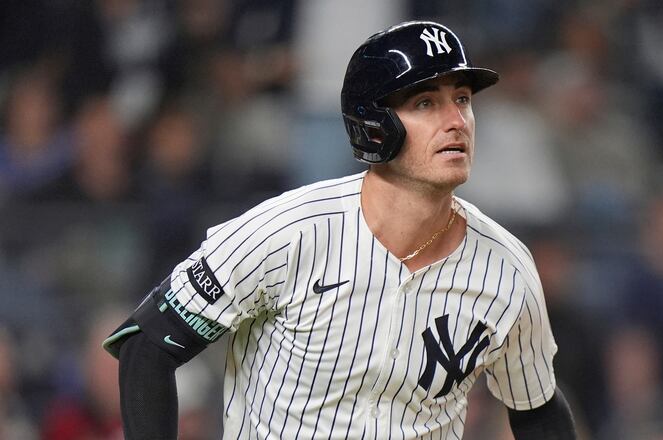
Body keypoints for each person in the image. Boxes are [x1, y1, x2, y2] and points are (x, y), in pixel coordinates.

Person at [103, 20, 577, 439]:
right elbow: (147, 345)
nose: (456, 121)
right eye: (426, 103)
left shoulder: (507, 269)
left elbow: (537, 410)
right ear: (375, 125)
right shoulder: (288, 233)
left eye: (462, 100)